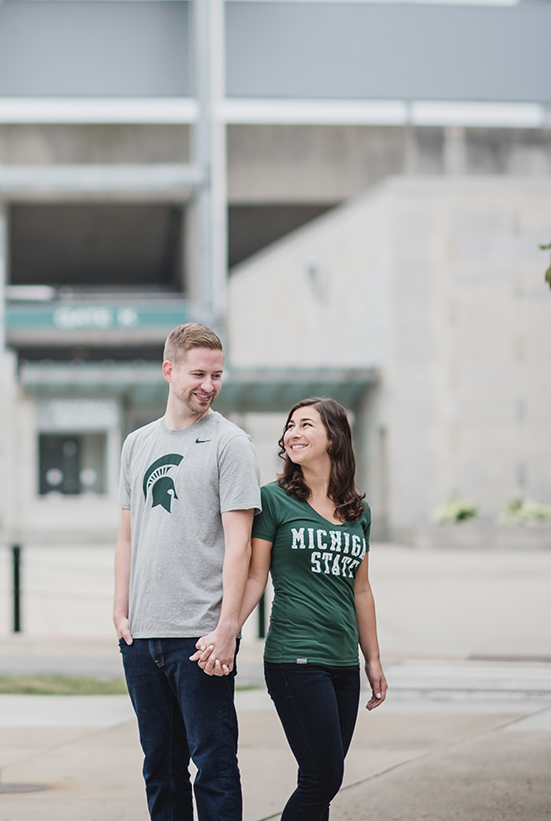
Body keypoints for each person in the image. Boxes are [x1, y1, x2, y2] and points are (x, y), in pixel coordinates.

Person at [194, 396, 387, 820]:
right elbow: (253, 576)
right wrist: (227, 629)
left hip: (342, 662)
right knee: (323, 777)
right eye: (290, 426)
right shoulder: (275, 500)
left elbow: (362, 590)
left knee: (322, 782)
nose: (293, 433)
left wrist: (372, 659)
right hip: (295, 658)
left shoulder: (358, 511)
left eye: (305, 425)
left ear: (334, 438)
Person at [113, 322, 261, 821]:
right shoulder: (136, 444)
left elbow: (240, 544)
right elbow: (128, 535)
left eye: (217, 375)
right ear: (169, 370)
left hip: (201, 638)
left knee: (214, 766)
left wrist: (228, 629)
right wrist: (120, 612)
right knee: (161, 768)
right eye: (199, 373)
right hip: (143, 636)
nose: (209, 384)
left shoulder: (231, 443)